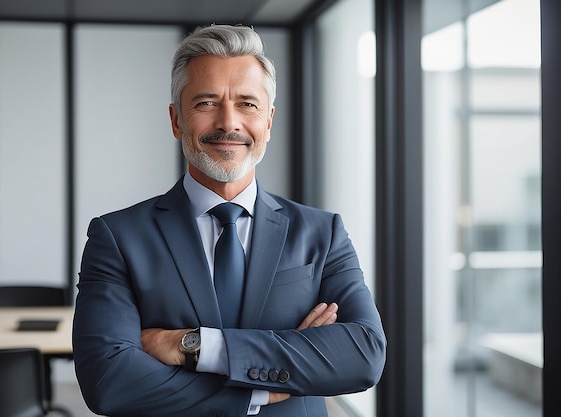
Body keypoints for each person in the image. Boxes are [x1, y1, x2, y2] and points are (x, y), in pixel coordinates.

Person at [73, 24, 386, 417]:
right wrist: (268, 382)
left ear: (268, 121)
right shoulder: (117, 237)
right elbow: (108, 382)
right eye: (206, 103)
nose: (228, 123)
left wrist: (194, 346)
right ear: (176, 121)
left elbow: (363, 355)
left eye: (247, 104)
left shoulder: (323, 234)